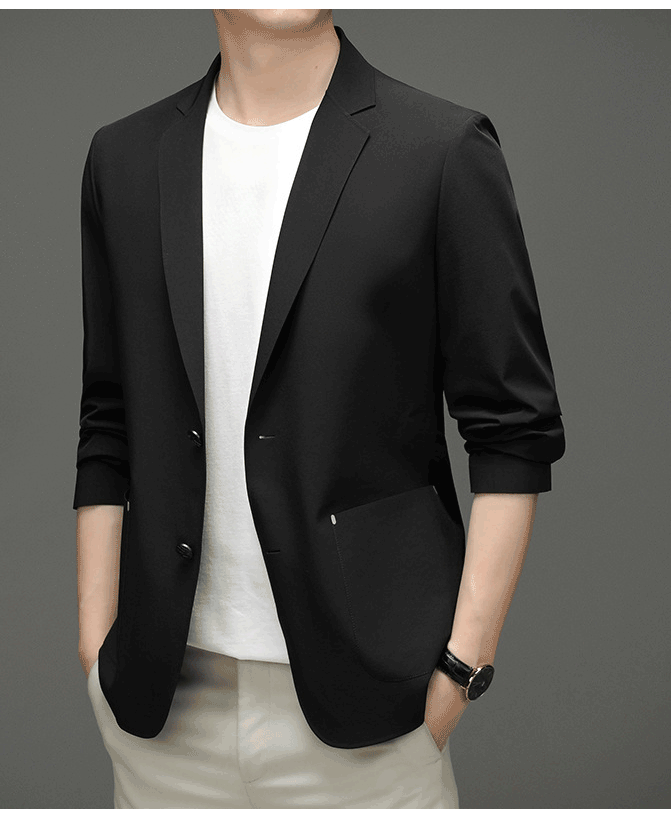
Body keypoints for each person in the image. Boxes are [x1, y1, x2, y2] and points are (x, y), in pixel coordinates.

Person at [75, 10, 566, 809]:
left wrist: (460, 669)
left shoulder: (440, 150)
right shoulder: (124, 158)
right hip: (161, 711)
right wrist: (96, 643)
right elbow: (108, 417)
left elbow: (514, 431)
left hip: (372, 710)